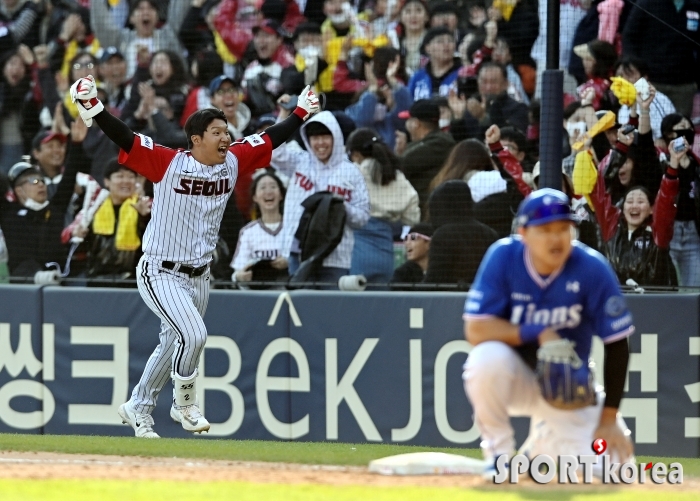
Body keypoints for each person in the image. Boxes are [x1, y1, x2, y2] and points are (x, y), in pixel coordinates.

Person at [68, 74, 321, 437]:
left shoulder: (233, 160)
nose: (226, 136)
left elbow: (270, 138)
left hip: (200, 275)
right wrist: (94, 108)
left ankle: (138, 405)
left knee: (173, 341)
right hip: (160, 270)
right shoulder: (168, 163)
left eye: (227, 130)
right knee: (195, 335)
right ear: (196, 139)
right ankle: (184, 403)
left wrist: (300, 113)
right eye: (217, 132)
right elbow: (126, 136)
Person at [463, 188, 635, 477]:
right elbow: (476, 328)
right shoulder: (503, 257)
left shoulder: (591, 267)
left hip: (569, 388)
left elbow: (617, 344)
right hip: (518, 377)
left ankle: (542, 444)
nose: (556, 238)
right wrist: (538, 331)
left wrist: (608, 417)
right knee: (484, 359)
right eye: (544, 230)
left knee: (614, 467)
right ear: (524, 233)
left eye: (563, 229)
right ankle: (499, 454)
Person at [270, 105, 370, 287]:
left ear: (336, 137)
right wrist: (285, 114)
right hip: (299, 253)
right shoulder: (300, 161)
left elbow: (362, 218)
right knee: (299, 307)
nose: (320, 143)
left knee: (329, 311)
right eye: (315, 137)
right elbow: (274, 152)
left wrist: (340, 206)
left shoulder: (351, 172)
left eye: (325, 136)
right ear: (308, 140)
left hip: (336, 256)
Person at [346, 128, 420, 285]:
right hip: (385, 252)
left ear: (356, 154)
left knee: (352, 305)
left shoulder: (351, 173)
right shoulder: (397, 177)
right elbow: (413, 217)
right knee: (380, 305)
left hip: (356, 250)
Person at [424, 179, 499, 289]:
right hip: (483, 298)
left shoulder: (443, 235)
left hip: (448, 301)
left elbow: (435, 280)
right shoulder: (490, 233)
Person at [231, 169, 289, 288]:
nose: (268, 191)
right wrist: (239, 277)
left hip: (288, 292)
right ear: (255, 197)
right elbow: (236, 273)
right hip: (257, 297)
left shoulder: (293, 228)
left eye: (273, 187)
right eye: (262, 188)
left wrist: (290, 263)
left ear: (281, 195)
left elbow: (305, 265)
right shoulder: (248, 232)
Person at [396, 99, 456, 211]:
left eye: (408, 120)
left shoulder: (440, 143)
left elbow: (402, 165)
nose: (406, 124)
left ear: (416, 124)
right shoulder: (422, 142)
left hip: (429, 211)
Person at [390, 222, 432, 290]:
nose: (407, 243)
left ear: (429, 244)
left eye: (413, 238)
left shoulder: (442, 274)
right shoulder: (402, 275)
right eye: (406, 238)